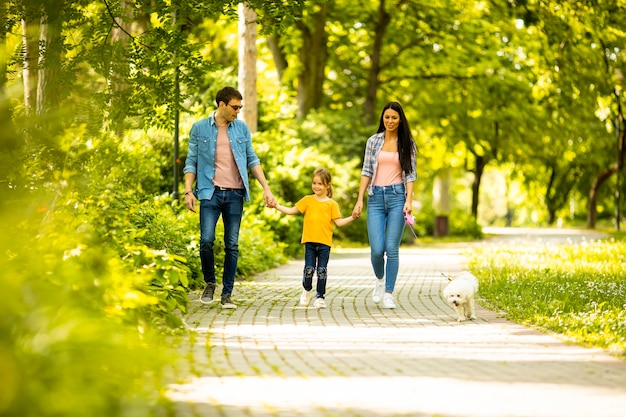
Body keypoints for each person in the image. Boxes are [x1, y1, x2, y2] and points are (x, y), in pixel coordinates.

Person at [183, 86, 276, 309]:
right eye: (235, 107)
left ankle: (227, 294)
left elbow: (252, 159)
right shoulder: (199, 128)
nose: (238, 111)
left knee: (231, 245)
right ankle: (209, 283)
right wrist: (188, 190)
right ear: (221, 105)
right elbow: (191, 161)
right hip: (209, 192)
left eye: (240, 107)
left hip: (235, 193)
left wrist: (266, 188)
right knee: (206, 241)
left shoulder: (241, 129)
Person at [352, 101, 417, 309]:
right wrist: (359, 199)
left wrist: (409, 199)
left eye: (394, 118)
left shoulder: (407, 143)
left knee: (392, 248)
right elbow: (366, 171)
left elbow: (411, 174)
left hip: (398, 197)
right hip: (376, 198)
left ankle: (389, 292)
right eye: (387, 117)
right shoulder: (373, 141)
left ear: (400, 120)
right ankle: (380, 280)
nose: (390, 121)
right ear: (383, 118)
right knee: (377, 250)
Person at [269, 167, 357, 309]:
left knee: (321, 270)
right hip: (309, 242)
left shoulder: (331, 204)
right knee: (309, 269)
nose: (316, 186)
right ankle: (307, 289)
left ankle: (320, 297)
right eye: (314, 183)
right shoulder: (307, 200)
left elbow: (339, 223)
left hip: (324, 244)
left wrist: (352, 217)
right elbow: (291, 211)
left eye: (320, 184)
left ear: (327, 185)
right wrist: (276, 206)